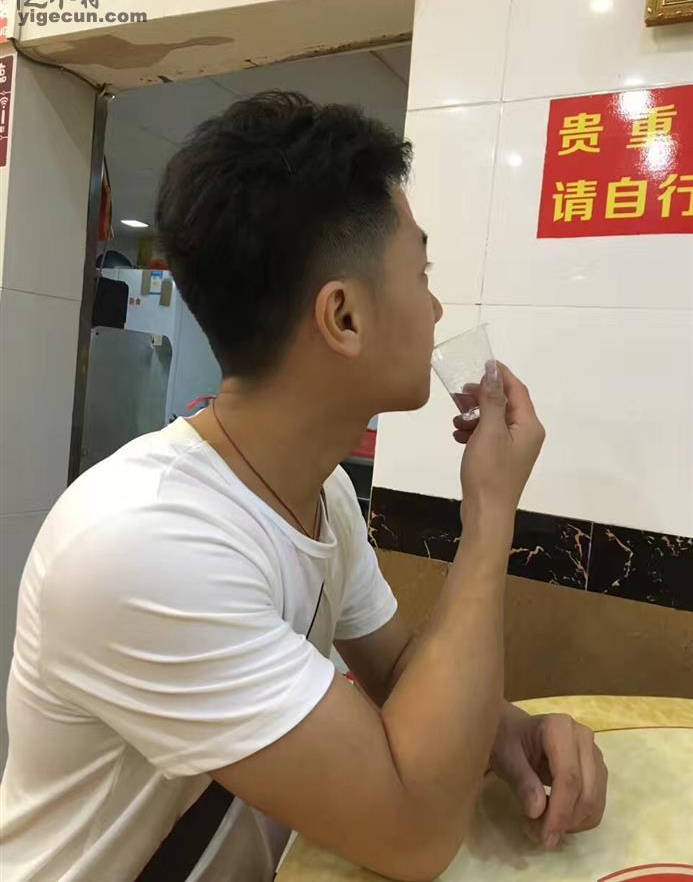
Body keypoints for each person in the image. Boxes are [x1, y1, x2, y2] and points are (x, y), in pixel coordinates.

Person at [0, 91, 607, 882]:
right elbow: (413, 834)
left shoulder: (323, 495)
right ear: (343, 317)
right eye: (420, 273)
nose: (435, 306)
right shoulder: (142, 544)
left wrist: (505, 730)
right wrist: (488, 514)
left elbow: (399, 669)